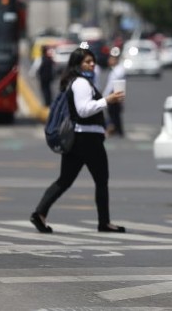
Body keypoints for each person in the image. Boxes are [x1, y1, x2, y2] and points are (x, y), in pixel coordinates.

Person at [30, 47, 126, 234]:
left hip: (79, 138)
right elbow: (83, 110)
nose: (91, 64)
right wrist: (108, 100)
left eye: (92, 61)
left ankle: (39, 213)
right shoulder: (81, 82)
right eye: (87, 62)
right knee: (101, 180)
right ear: (77, 64)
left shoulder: (75, 81)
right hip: (87, 139)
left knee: (65, 180)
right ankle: (104, 222)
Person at [103, 47, 126, 137]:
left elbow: (111, 85)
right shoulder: (115, 69)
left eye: (112, 59)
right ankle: (117, 130)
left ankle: (117, 130)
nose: (109, 60)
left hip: (114, 94)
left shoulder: (118, 70)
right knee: (114, 113)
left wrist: (105, 95)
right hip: (116, 94)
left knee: (114, 113)